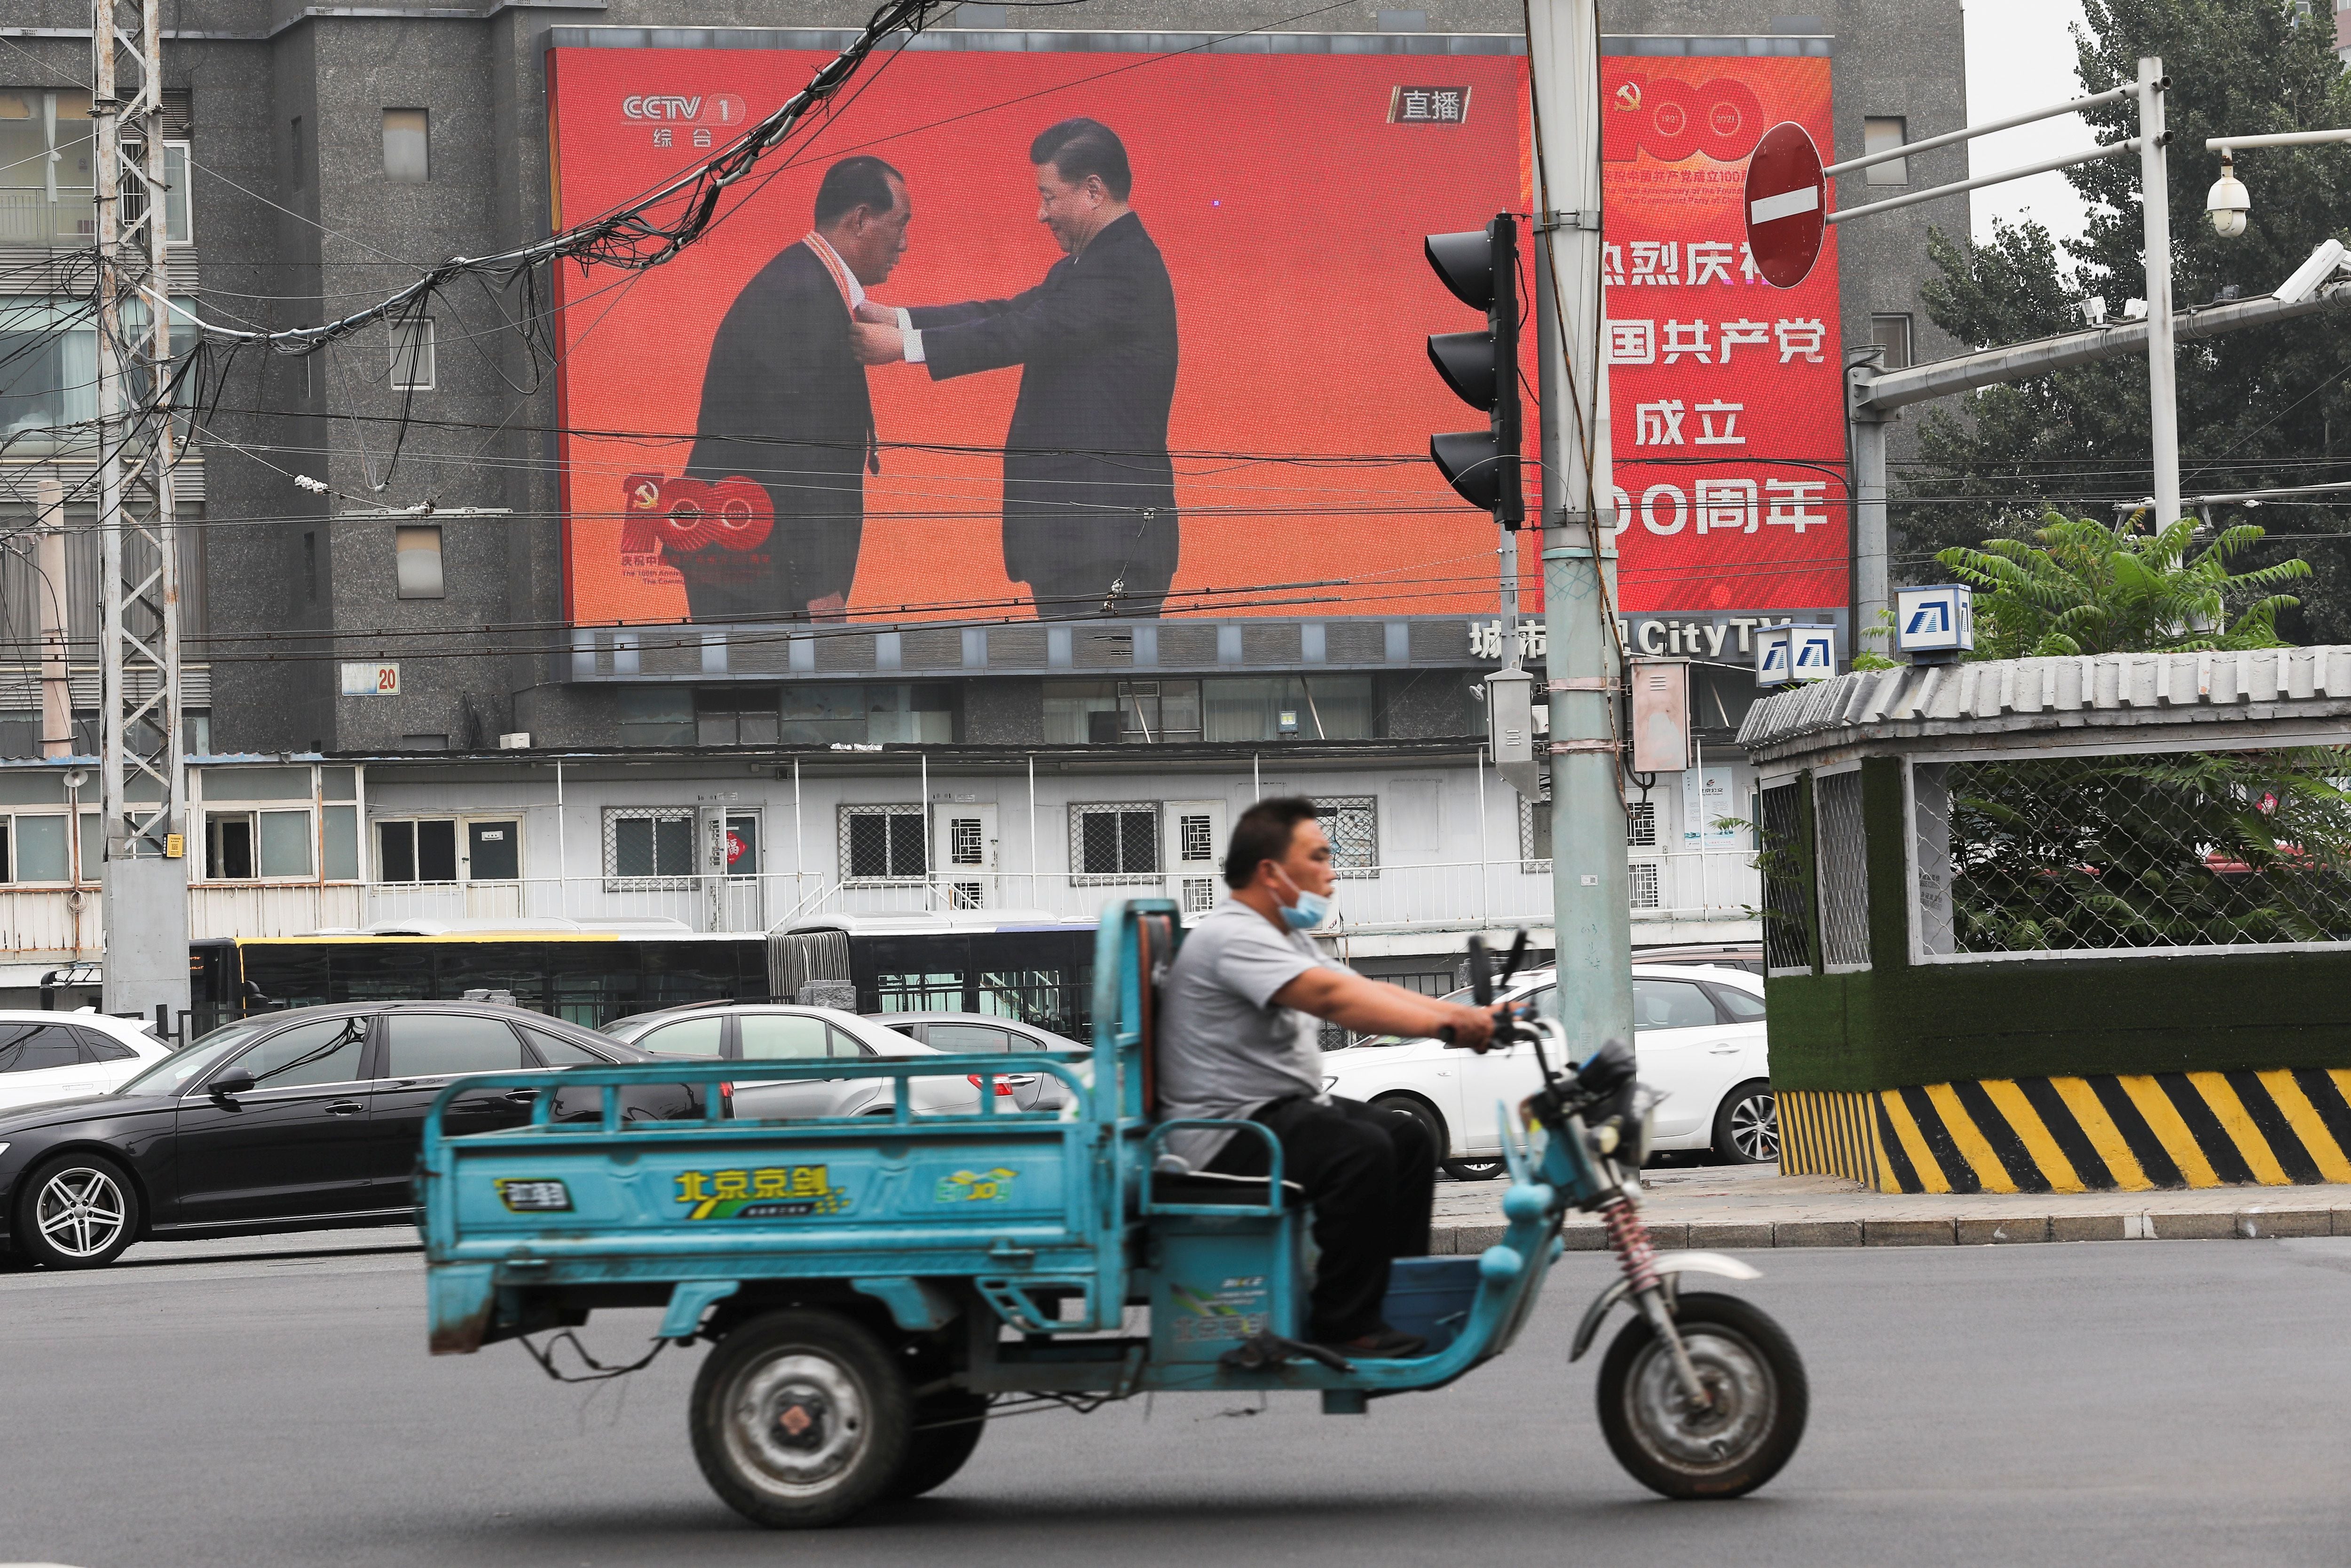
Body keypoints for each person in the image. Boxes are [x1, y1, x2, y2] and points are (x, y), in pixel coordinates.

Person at [1156, 797, 1501, 1359]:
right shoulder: (1232, 935)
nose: (1331, 870)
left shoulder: (1279, 934)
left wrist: (1464, 1017)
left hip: (1271, 1114)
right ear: (1271, 871)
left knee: (1408, 1137)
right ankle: (1344, 1325)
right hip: (1226, 1136)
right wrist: (1448, 1025)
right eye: (1318, 856)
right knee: (1359, 1150)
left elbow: (1369, 989)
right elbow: (1333, 999)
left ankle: (1391, 1297)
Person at [851, 117, 1179, 619]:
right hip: (1078, 542)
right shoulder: (1087, 265)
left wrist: (902, 347)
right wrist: (895, 316)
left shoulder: (1123, 267)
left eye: (1049, 196)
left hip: (1104, 543)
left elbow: (1022, 333)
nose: (1040, 214)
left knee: (1105, 681)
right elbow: (1007, 313)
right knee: (1081, 685)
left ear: (1093, 190)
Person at [680, 155, 913, 623]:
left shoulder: (806, 280)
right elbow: (797, 459)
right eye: (900, 225)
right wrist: (819, 587)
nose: (905, 244)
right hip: (755, 570)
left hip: (751, 559)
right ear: (861, 219)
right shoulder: (802, 297)